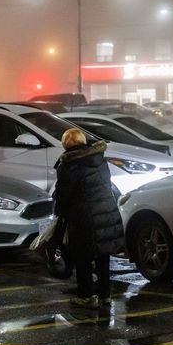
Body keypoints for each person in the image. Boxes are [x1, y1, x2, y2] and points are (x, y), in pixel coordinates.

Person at [53, 128, 124, 309]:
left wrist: (59, 213)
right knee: (103, 256)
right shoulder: (99, 160)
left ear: (66, 144)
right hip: (106, 212)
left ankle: (86, 296)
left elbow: (64, 195)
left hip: (83, 217)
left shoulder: (70, 165)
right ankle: (105, 295)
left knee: (82, 257)